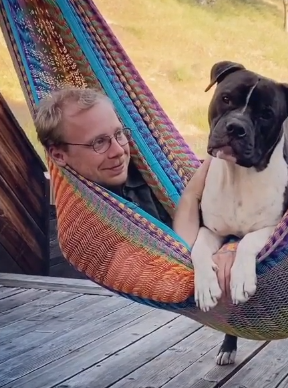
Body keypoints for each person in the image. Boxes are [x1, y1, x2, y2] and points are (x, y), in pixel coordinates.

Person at [35, 86, 234, 296]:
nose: (119, 151)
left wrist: (231, 248)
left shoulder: (155, 170)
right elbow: (174, 285)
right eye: (99, 142)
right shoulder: (86, 233)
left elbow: (227, 214)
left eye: (119, 134)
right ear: (58, 155)